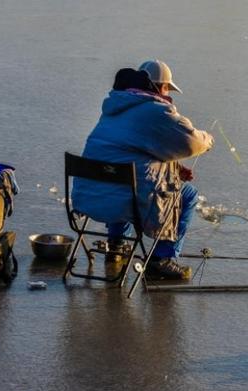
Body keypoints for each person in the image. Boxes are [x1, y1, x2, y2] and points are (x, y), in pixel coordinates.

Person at [72, 60, 214, 279]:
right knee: (188, 195)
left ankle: (116, 244)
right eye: (167, 88)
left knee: (121, 177)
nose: (169, 93)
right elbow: (190, 142)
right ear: (160, 87)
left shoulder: (114, 107)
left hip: (89, 194)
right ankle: (161, 259)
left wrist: (173, 168)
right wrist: (208, 140)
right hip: (126, 196)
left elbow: (131, 150)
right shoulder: (155, 110)